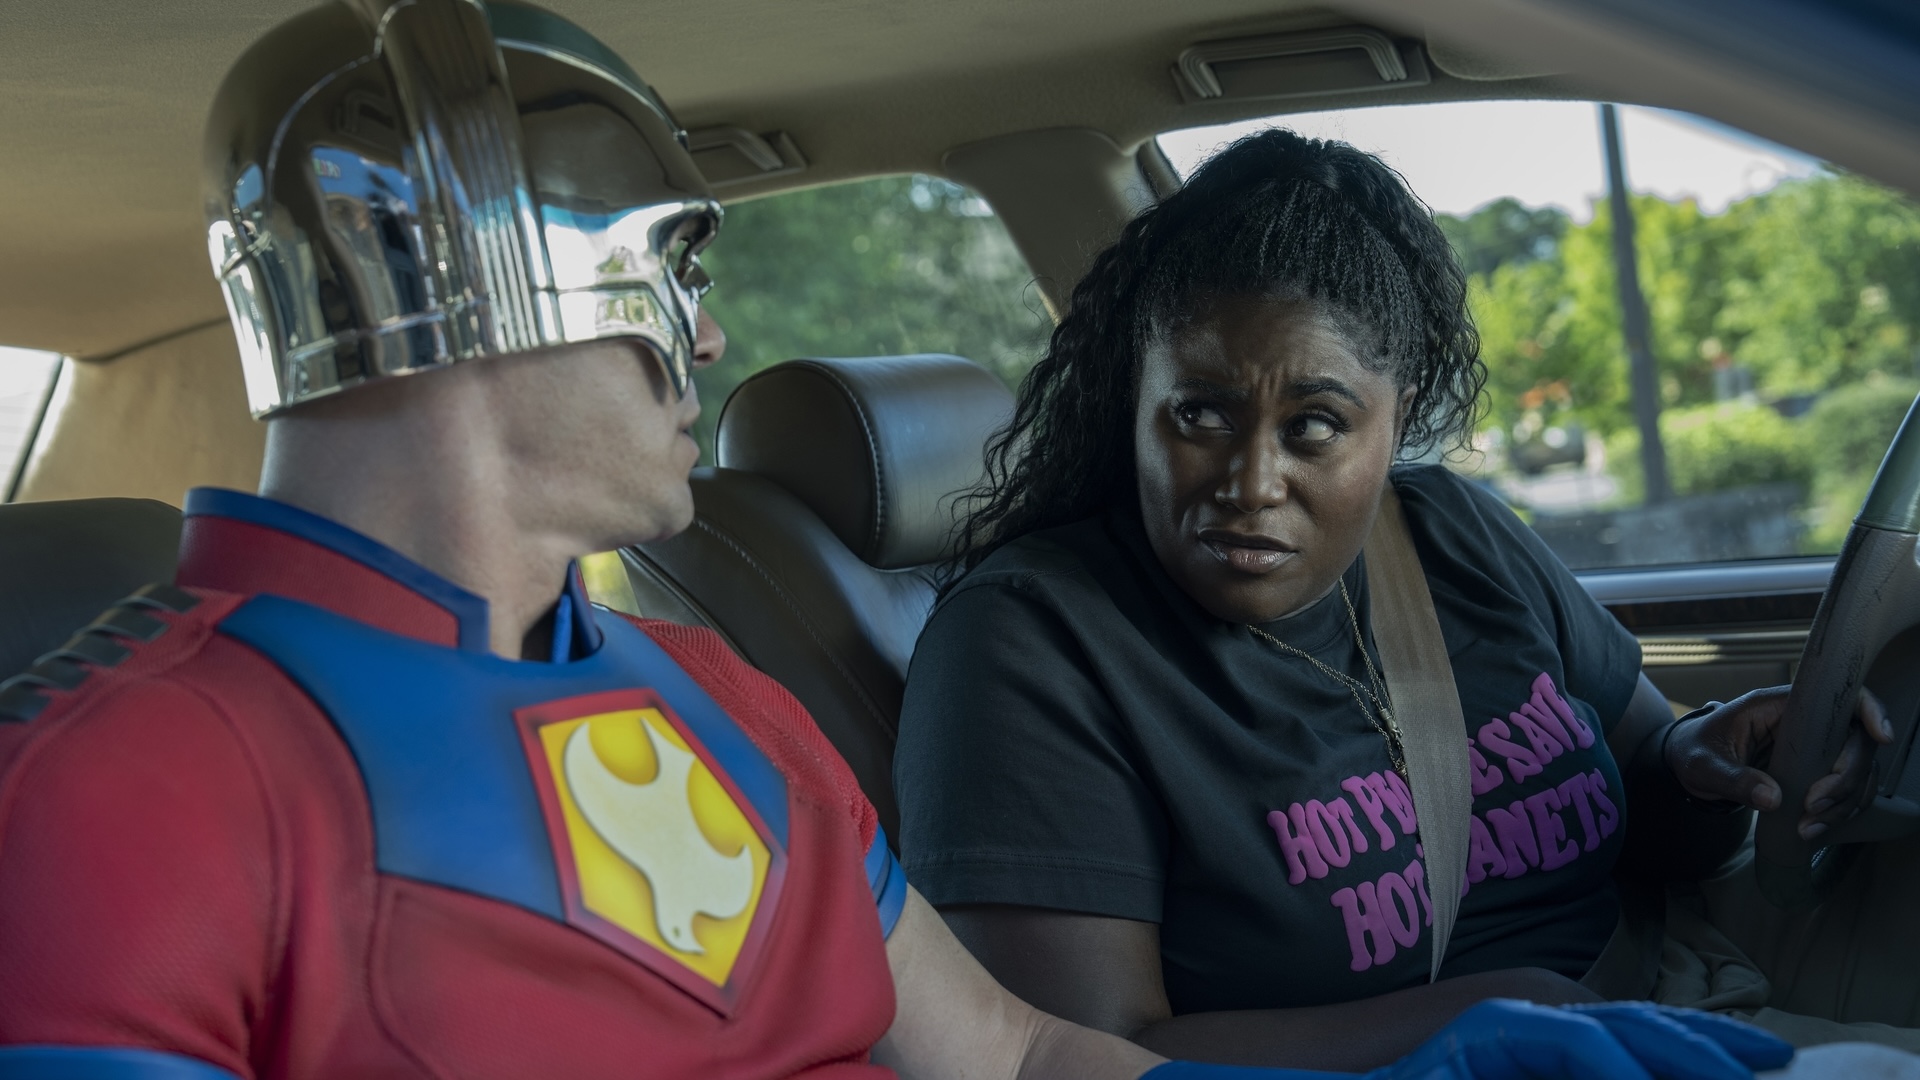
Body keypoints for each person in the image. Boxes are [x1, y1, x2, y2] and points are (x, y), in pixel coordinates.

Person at [0, 4, 1801, 1078]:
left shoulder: (711, 698)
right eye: (675, 268)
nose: (707, 339)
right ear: (479, 282)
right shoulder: (120, 796)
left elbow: (1016, 1055)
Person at [892, 130, 1897, 1073]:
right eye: (1199, 412)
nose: (1250, 480)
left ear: (1396, 418)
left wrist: (1710, 762)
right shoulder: (1032, 647)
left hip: (1671, 1010)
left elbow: (1660, 802)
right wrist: (1488, 1020)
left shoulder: (1455, 536)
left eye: (1315, 425)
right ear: (1134, 398)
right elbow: (1078, 1052)